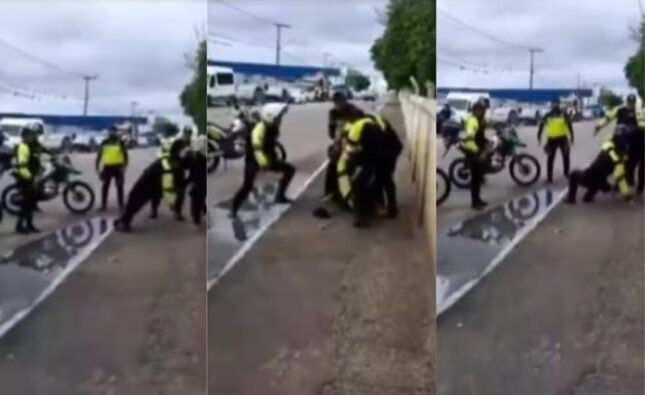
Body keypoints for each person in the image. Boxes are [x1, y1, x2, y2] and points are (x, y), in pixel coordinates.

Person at [230, 102, 295, 218]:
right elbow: (257, 148)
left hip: (268, 159)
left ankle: (280, 196)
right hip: (253, 160)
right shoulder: (260, 128)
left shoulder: (272, 127)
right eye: (278, 117)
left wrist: (269, 160)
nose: (280, 119)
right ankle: (233, 209)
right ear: (270, 117)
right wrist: (263, 163)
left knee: (290, 170)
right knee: (247, 186)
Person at [337, 111, 385, 227]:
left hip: (367, 162)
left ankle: (361, 219)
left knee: (358, 187)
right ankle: (371, 211)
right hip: (377, 159)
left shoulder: (357, 127)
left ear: (353, 118)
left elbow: (351, 149)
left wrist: (349, 157)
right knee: (369, 186)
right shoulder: (372, 123)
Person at [566, 126, 633, 204]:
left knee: (574, 175)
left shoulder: (607, 146)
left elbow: (609, 138)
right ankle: (590, 196)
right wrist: (626, 194)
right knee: (598, 177)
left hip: (593, 175)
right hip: (601, 181)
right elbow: (620, 178)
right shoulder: (620, 158)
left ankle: (571, 199)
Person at [114, 154, 180, 232]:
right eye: (175, 165)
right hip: (144, 185)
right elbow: (164, 183)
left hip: (149, 186)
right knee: (134, 204)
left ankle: (122, 221)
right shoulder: (164, 166)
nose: (176, 167)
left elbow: (164, 185)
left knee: (136, 205)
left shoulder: (163, 165)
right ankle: (124, 222)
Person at [595, 93, 643, 194]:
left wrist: (635, 128)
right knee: (623, 163)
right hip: (623, 140)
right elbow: (608, 117)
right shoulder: (620, 110)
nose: (630, 105)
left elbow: (642, 124)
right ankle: (622, 183)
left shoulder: (640, 111)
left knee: (641, 166)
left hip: (639, 140)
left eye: (632, 103)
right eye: (629, 103)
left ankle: (639, 187)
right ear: (627, 102)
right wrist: (599, 125)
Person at [325, 91, 364, 202]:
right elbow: (331, 132)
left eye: (340, 103)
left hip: (353, 142)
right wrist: (337, 139)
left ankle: (350, 193)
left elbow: (361, 127)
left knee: (351, 167)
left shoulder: (354, 111)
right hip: (339, 143)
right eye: (336, 103)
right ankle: (331, 191)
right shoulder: (332, 113)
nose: (338, 106)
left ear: (345, 102)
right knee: (333, 165)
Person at [537, 98, 574, 183]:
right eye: (553, 103)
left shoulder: (564, 114)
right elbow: (541, 127)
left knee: (566, 156)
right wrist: (539, 137)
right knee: (550, 158)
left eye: (556, 103)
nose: (555, 105)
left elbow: (569, 126)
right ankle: (549, 177)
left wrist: (572, 137)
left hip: (563, 139)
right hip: (551, 140)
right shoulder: (547, 115)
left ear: (559, 104)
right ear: (551, 105)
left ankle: (566, 173)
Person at [460, 101, 489, 210]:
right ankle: (475, 202)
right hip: (473, 153)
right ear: (476, 110)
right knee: (475, 179)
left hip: (479, 150)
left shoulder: (479, 120)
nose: (484, 112)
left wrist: (486, 142)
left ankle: (478, 199)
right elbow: (469, 140)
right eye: (482, 110)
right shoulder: (472, 121)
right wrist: (478, 152)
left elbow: (480, 136)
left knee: (479, 178)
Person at [13, 127, 39, 234]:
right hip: (25, 179)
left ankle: (29, 225)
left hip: (29, 178)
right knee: (26, 204)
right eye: (30, 135)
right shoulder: (23, 147)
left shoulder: (30, 146)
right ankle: (19, 226)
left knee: (29, 204)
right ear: (25, 136)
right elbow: (22, 166)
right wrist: (30, 178)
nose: (32, 137)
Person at [96, 126, 128, 211]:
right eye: (111, 131)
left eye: (114, 132)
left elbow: (125, 156)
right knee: (105, 187)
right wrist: (97, 168)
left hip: (118, 168)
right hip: (107, 168)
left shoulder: (120, 142)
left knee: (120, 187)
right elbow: (99, 155)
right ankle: (103, 205)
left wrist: (124, 168)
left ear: (116, 132)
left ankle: (121, 205)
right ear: (108, 133)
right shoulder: (104, 142)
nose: (112, 133)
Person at [188, 134, 207, 227]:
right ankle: (203, 212)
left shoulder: (196, 157)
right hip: (201, 182)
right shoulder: (201, 156)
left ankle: (197, 220)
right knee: (200, 199)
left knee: (196, 201)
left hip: (199, 183)